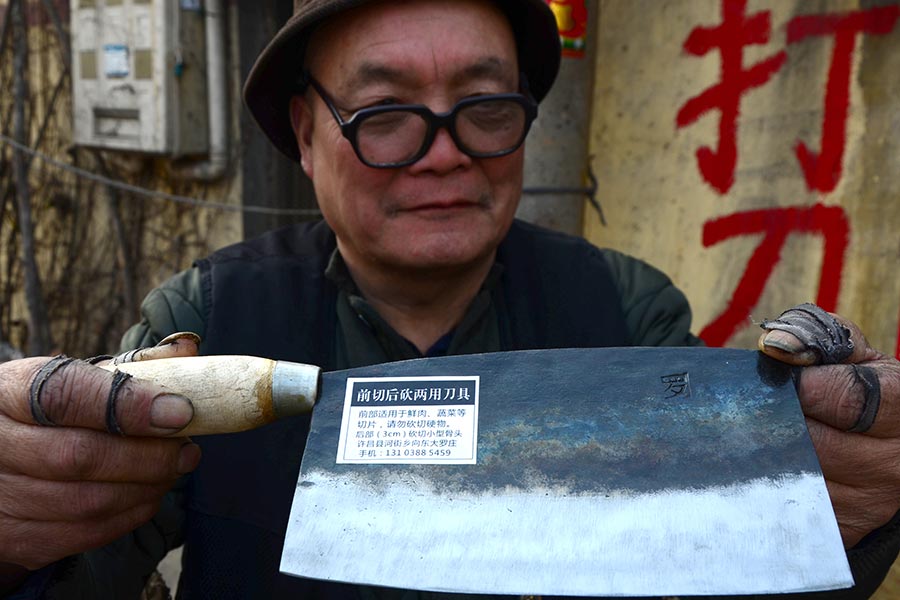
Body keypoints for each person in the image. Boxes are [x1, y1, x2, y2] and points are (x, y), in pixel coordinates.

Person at [1, 0, 899, 597]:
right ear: (306, 137)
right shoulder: (202, 327)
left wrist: (829, 522)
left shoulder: (626, 313)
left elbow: (711, 566)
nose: (445, 152)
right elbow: (82, 571)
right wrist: (18, 532)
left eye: (485, 104)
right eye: (384, 111)